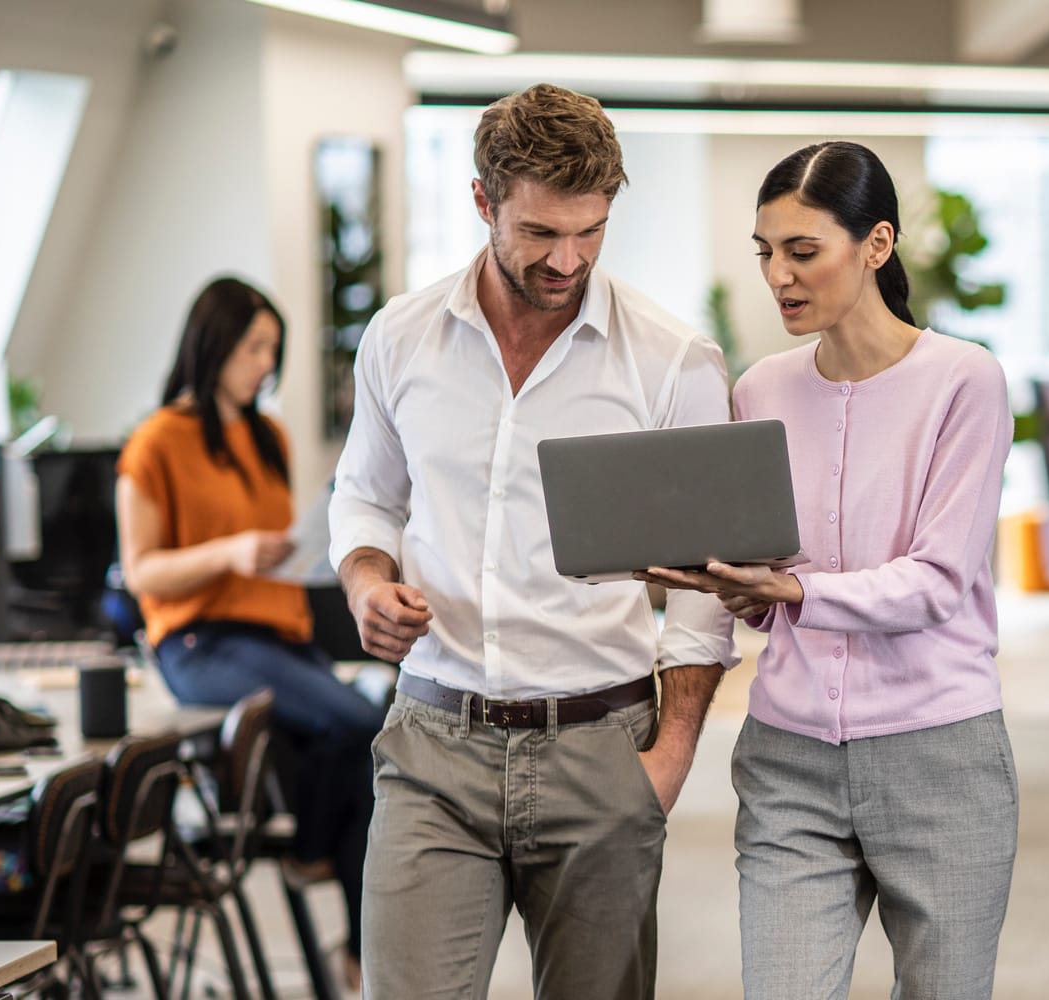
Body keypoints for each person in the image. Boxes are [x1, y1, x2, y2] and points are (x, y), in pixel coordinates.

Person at [328, 83, 738, 999]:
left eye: (590, 231)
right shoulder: (401, 338)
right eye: (542, 232)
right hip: (435, 739)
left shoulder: (673, 361)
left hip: (602, 749)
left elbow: (709, 585)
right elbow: (364, 495)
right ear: (483, 201)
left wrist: (666, 761)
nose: (568, 259)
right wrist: (365, 580)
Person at [641, 141, 1018, 1000]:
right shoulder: (760, 389)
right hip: (790, 758)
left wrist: (796, 592)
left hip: (940, 759)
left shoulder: (964, 381)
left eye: (803, 251)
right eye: (766, 253)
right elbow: (769, 586)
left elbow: (937, 581)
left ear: (877, 245)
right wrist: (732, 585)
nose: (779, 276)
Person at [114, 275, 381, 989]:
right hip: (201, 640)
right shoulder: (155, 441)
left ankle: (356, 952)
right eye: (255, 346)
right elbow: (141, 572)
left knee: (376, 749)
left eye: (274, 348)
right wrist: (230, 554)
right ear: (214, 343)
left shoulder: (268, 436)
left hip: (278, 632)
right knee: (356, 720)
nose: (267, 363)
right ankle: (310, 857)